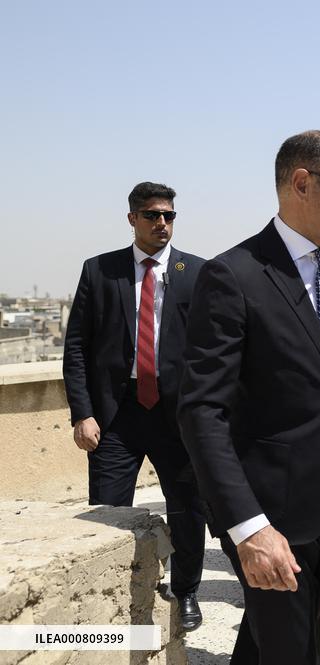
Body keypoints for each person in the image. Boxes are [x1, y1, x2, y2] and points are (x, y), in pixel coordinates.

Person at [177, 130, 320, 664]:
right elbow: (203, 410)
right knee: (288, 651)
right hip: (274, 510)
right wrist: (248, 529)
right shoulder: (233, 275)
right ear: (302, 183)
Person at [62, 181, 207, 631]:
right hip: (117, 413)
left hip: (176, 413)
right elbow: (77, 347)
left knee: (187, 507)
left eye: (169, 216)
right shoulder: (100, 271)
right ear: (132, 219)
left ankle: (185, 592)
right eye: (152, 215)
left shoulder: (197, 272)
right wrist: (82, 413)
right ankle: (109, 596)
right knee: (107, 513)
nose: (162, 223)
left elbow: (213, 348)